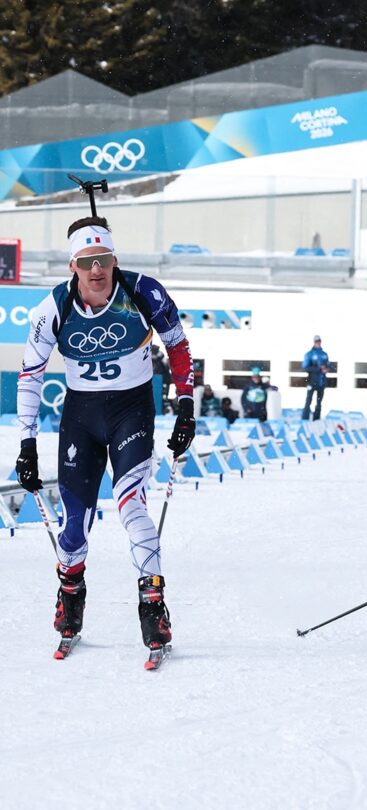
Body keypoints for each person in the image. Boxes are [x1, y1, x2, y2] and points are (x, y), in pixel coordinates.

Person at [14, 215, 195, 656]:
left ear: (115, 260)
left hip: (131, 412)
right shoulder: (52, 309)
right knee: (73, 526)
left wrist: (186, 406)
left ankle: (153, 607)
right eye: (87, 261)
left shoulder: (142, 292)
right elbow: (30, 376)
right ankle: (71, 597)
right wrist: (27, 443)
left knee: (133, 508)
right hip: (81, 417)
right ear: (73, 266)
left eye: (105, 260)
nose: (97, 270)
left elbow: (178, 345)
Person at [302, 335, 330, 421]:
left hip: (321, 382)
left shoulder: (324, 354)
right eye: (316, 341)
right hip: (311, 381)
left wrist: (326, 369)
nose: (318, 343)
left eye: (319, 341)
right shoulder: (309, 354)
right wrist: (318, 369)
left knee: (319, 402)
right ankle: (305, 418)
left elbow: (329, 365)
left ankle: (316, 418)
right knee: (308, 400)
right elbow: (305, 367)